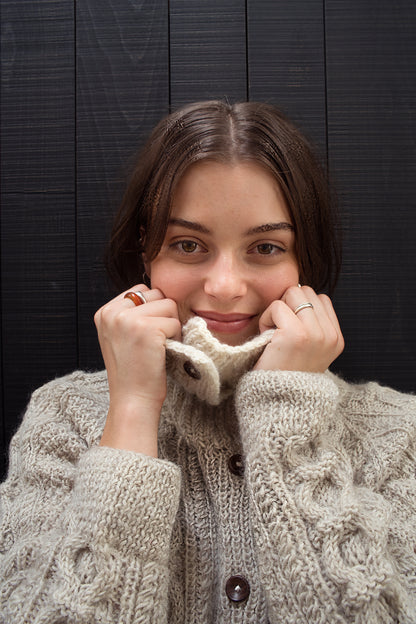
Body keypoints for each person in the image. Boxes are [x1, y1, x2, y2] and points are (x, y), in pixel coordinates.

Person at [0, 100, 415, 624]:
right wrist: (131, 409)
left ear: (304, 261)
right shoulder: (63, 419)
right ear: (147, 252)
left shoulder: (397, 434)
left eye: (264, 247)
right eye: (189, 244)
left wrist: (289, 415)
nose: (223, 287)